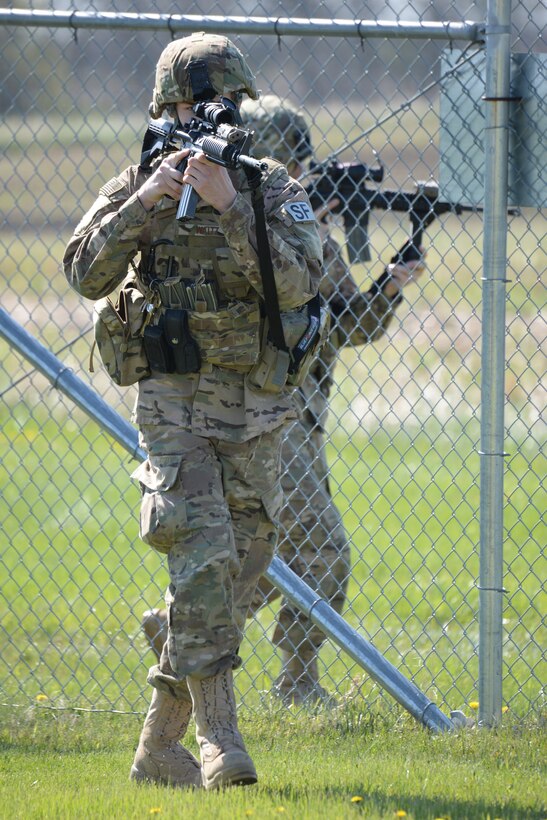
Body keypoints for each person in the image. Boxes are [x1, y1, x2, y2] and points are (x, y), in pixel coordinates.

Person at [63, 38, 323, 791]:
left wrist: (230, 206)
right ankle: (221, 742)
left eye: (216, 107)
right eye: (184, 107)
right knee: (203, 556)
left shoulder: (269, 186)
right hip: (174, 405)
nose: (200, 120)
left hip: (255, 405)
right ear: (161, 110)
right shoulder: (137, 183)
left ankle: (157, 749)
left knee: (242, 569)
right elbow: (84, 272)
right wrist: (146, 203)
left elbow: (304, 281)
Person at [141, 94, 426, 705]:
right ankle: (296, 681)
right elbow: (272, 296)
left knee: (269, 553)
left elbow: (348, 325)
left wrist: (391, 284)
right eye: (288, 162)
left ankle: (180, 629)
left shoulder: (294, 222)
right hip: (270, 412)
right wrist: (301, 234)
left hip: (293, 417)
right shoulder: (232, 223)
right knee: (320, 551)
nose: (296, 175)